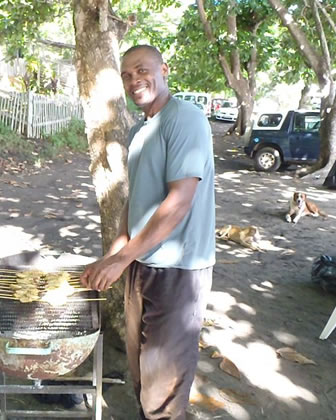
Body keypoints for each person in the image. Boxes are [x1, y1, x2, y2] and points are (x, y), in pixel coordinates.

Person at [80, 45, 216, 420]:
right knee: (142, 371)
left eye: (141, 70)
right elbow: (134, 203)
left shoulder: (185, 118)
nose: (134, 80)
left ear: (164, 69)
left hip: (179, 270)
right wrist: (113, 257)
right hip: (143, 264)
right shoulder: (140, 130)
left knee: (165, 388)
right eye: (126, 75)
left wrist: (122, 257)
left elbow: (179, 201)